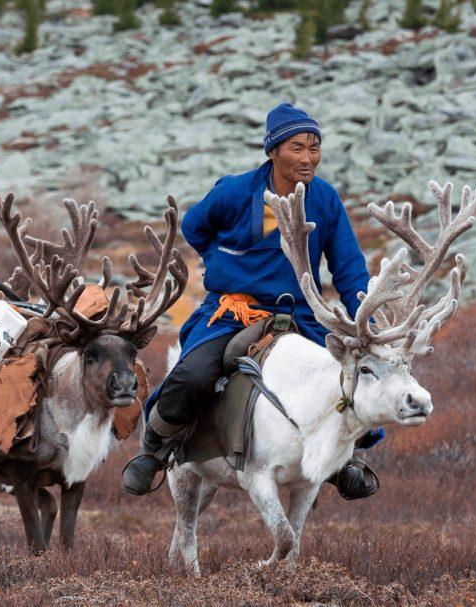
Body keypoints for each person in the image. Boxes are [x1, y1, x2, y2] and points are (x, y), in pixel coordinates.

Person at [122, 103, 384, 497]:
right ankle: (156, 449)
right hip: (232, 314)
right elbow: (194, 227)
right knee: (193, 375)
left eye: (315, 148)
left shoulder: (326, 200)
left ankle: (344, 460)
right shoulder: (234, 191)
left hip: (297, 316)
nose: (308, 158)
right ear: (273, 150)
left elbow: (348, 268)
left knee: (344, 382)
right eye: (298, 147)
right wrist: (223, 265)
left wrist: (367, 320)